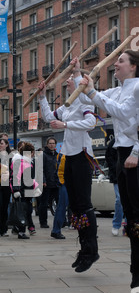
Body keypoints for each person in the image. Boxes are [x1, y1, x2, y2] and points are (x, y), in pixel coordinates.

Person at [79, 49, 139, 288]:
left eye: (121, 61)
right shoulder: (119, 89)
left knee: (137, 215)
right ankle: (136, 272)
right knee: (130, 215)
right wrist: (80, 79)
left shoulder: (137, 88)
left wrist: (136, 153)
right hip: (122, 155)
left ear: (134, 66)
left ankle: (138, 274)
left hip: (134, 153)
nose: (116, 64)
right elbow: (87, 99)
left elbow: (122, 111)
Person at [38, 59, 99, 273]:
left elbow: (91, 124)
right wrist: (42, 96)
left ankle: (92, 250)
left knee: (84, 204)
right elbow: (47, 117)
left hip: (82, 156)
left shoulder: (84, 102)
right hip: (69, 157)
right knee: (75, 205)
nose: (67, 83)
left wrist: (77, 70)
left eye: (71, 81)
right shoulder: (68, 106)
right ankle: (84, 250)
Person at [10, 142, 41, 239]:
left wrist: (35, 187)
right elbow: (15, 177)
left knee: (27, 210)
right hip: (22, 190)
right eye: (33, 152)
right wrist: (16, 190)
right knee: (23, 211)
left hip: (27, 190)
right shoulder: (21, 163)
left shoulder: (28, 162)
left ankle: (17, 228)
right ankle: (21, 232)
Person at [37, 137, 59, 228]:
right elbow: (40, 169)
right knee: (44, 203)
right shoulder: (43, 155)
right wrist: (43, 180)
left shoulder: (57, 155)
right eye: (50, 143)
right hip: (46, 183)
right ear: (47, 144)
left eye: (53, 143)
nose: (51, 145)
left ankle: (61, 221)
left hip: (56, 182)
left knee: (59, 202)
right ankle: (43, 222)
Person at [105, 137, 124, 236]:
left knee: (132, 200)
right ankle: (116, 225)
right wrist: (116, 169)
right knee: (119, 200)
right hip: (117, 175)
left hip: (131, 173)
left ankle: (129, 225)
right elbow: (108, 157)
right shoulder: (114, 142)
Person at [0, 138, 12, 237]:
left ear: (6, 145)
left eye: (2, 144)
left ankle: (4, 229)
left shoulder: (10, 157)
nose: (0, 145)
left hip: (6, 184)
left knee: (5, 207)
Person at [50, 153, 68, 240]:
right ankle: (56, 230)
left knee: (62, 206)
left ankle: (56, 230)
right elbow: (59, 171)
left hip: (71, 183)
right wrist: (62, 182)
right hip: (66, 183)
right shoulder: (62, 155)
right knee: (62, 206)